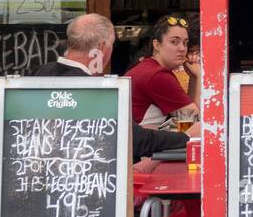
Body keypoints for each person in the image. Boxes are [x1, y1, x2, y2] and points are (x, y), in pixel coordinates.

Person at [36, 14, 190, 160]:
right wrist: (186, 137)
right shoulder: (95, 91)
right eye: (111, 45)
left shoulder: (39, 74)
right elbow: (134, 140)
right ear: (102, 47)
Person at [126, 15, 199, 130]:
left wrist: (193, 77)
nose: (182, 48)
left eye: (185, 43)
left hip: (135, 141)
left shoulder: (148, 67)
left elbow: (185, 115)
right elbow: (196, 120)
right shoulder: (157, 76)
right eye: (174, 42)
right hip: (141, 145)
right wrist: (200, 76)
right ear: (157, 45)